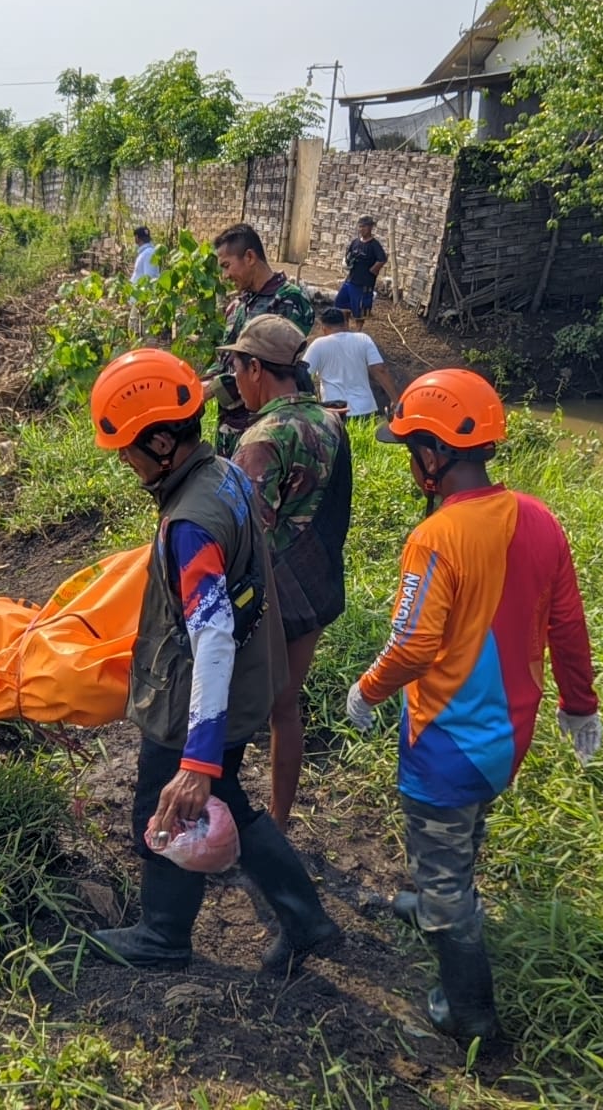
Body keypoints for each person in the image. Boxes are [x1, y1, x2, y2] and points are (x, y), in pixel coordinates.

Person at [343, 369, 603, 1049]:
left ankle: (471, 1016)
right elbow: (569, 624)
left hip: (447, 743)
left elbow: (414, 644)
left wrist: (366, 690)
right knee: (461, 838)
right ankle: (436, 895)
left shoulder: (438, 536)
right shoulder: (539, 517)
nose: (408, 465)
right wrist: (580, 704)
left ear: (434, 456)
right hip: (510, 735)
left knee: (445, 871)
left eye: (409, 451)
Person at [86, 348, 342, 974]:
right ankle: (307, 920)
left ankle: (163, 935)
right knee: (227, 795)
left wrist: (195, 758)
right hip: (243, 683)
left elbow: (214, 632)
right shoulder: (222, 472)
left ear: (166, 441)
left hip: (197, 699)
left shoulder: (190, 523)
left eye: (128, 447)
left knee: (167, 797)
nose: (123, 460)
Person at [218, 315, 352, 830]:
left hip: (266, 595)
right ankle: (277, 819)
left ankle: (218, 812)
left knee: (224, 702)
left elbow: (240, 527)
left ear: (257, 368)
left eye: (236, 367)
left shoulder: (265, 437)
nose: (234, 379)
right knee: (285, 707)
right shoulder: (328, 420)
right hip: (313, 583)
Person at [206, 223, 317, 459]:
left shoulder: (290, 301)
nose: (224, 276)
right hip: (230, 428)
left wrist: (211, 388)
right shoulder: (237, 306)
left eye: (227, 266)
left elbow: (271, 367)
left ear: (249, 257)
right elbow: (225, 363)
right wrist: (193, 383)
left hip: (268, 431)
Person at [303, 307, 401, 418]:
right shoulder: (363, 339)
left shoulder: (318, 345)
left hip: (336, 412)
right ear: (345, 324)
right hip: (366, 409)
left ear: (323, 328)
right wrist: (396, 400)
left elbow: (303, 375)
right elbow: (380, 370)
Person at [336, 215, 386, 328]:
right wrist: (346, 263)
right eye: (360, 226)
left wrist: (373, 271)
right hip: (350, 280)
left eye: (364, 226)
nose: (361, 229)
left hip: (363, 284)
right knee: (342, 304)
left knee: (360, 311)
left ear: (370, 228)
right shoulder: (355, 242)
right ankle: (345, 328)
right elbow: (347, 255)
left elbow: (382, 259)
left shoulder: (374, 245)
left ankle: (358, 332)